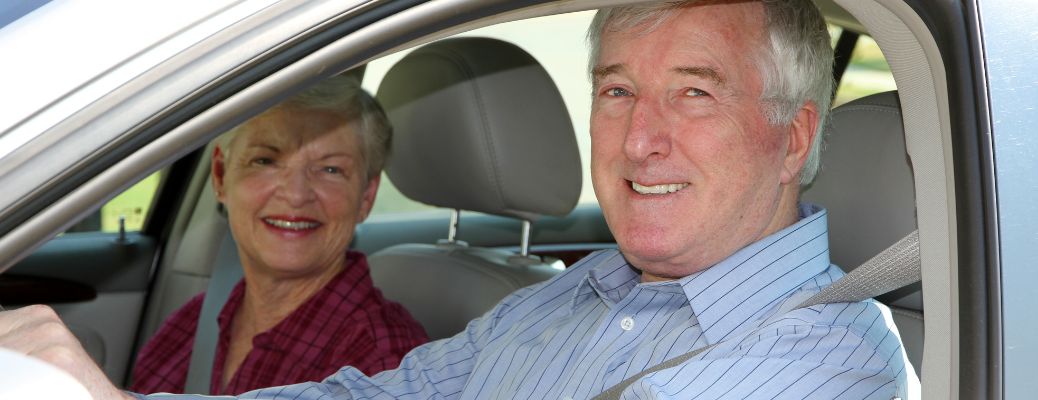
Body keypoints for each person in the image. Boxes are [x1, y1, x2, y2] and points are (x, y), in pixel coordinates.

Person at [0, 1, 915, 399]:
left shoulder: (829, 361)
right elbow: (380, 398)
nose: (639, 139)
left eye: (695, 91)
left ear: (794, 136)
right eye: (616, 90)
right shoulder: (576, 292)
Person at [128, 75, 428, 395]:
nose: (296, 194)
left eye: (330, 169)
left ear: (366, 198)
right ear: (220, 176)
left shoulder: (382, 366)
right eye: (265, 160)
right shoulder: (190, 325)